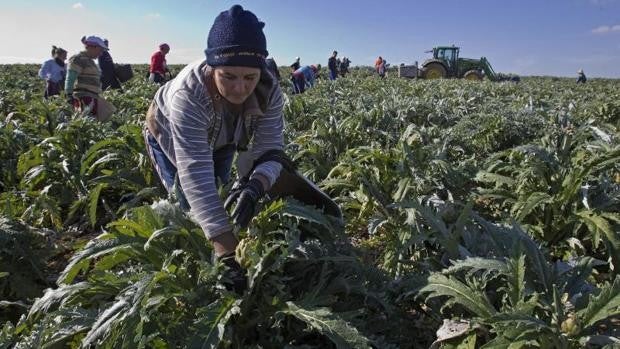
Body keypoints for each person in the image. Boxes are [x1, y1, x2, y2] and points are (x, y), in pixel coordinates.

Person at [65, 36, 107, 115]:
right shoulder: (78, 59)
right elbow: (70, 78)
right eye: (100, 50)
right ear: (91, 47)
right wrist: (69, 95)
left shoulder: (90, 61)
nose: (101, 53)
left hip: (92, 97)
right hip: (84, 98)